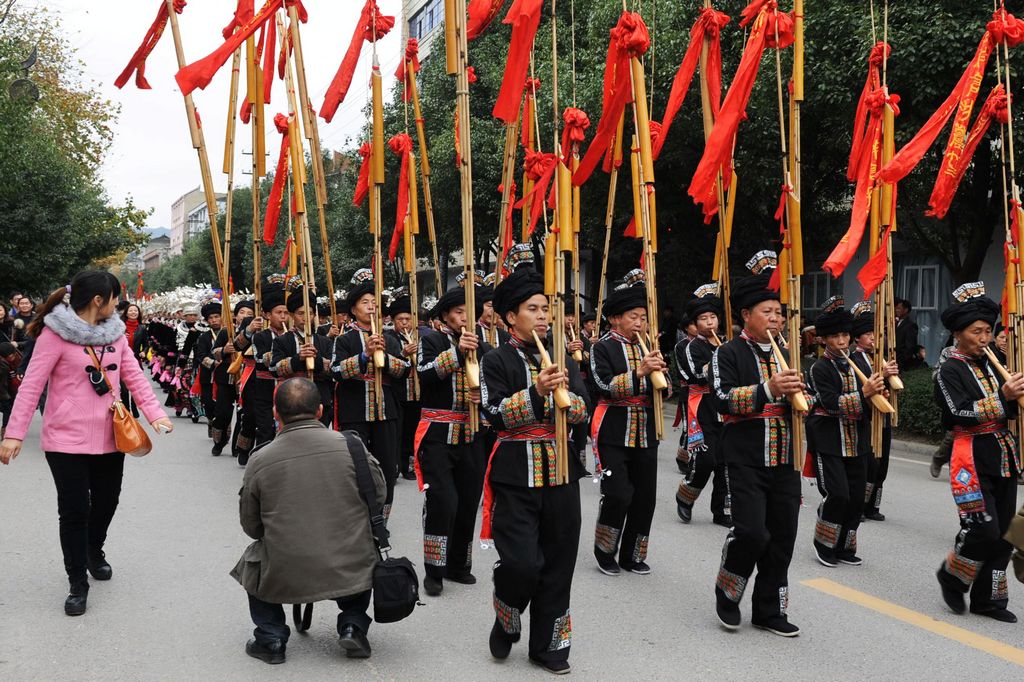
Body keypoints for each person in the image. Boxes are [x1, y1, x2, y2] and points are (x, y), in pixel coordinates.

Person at [0, 271, 174, 616]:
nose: (116, 303)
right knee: (75, 510)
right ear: (99, 300)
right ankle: (77, 582)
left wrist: (155, 414)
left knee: (108, 501)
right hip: (65, 438)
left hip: (112, 433)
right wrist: (13, 434)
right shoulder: (54, 335)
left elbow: (134, 376)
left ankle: (95, 549)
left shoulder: (116, 336)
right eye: (114, 297)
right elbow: (32, 386)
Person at [480, 247, 588, 674]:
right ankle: (507, 616)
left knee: (559, 566)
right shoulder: (496, 359)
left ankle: (550, 648)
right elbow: (494, 415)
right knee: (523, 564)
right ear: (510, 317)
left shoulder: (564, 357)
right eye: (533, 309)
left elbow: (583, 411)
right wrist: (537, 394)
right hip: (515, 475)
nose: (543, 316)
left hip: (562, 471)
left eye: (546, 308)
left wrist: (567, 397)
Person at [233, 378, 384, 664]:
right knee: (361, 547)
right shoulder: (352, 445)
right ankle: (352, 624)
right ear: (320, 411)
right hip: (349, 562)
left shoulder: (260, 458)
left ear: (276, 413)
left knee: (252, 559)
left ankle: (271, 637)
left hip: (287, 567)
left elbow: (251, 526)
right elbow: (377, 496)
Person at [710, 251, 803, 636]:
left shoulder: (793, 352)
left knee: (782, 537)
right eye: (768, 312)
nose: (776, 319)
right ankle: (728, 589)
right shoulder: (726, 352)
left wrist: (803, 397)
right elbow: (722, 398)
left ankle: (769, 610)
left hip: (785, 457)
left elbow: (808, 398)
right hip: (745, 456)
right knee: (751, 532)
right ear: (746, 315)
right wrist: (768, 389)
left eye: (779, 312)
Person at [934, 282, 1021, 623]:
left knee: (1004, 535)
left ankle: (989, 601)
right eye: (976, 332)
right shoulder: (948, 369)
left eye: (988, 331)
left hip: (1002, 452)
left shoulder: (994, 362)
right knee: (981, 528)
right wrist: (1003, 397)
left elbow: (1008, 411)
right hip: (969, 455)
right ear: (958, 333)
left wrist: (1012, 399)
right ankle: (952, 576)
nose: (984, 338)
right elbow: (957, 412)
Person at [590, 268, 668, 576]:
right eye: (634, 316)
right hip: (613, 428)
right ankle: (605, 550)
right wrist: (638, 373)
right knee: (619, 493)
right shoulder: (602, 347)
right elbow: (602, 385)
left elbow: (666, 386)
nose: (640, 323)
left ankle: (632, 554)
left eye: (643, 317)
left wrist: (662, 374)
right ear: (615, 319)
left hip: (646, 429)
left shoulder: (646, 346)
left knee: (645, 497)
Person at [414, 282, 491, 596]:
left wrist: (482, 396)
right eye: (459, 313)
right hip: (437, 434)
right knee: (443, 501)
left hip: (472, 433)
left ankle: (459, 564)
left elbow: (491, 385)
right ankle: (434, 569)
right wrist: (457, 353)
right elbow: (425, 373)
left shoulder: (484, 346)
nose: (464, 319)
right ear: (446, 314)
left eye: (468, 313)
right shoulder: (430, 340)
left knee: (468, 501)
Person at [804, 296, 881, 568]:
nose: (842, 341)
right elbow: (829, 403)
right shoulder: (818, 368)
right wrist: (864, 393)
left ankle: (845, 545)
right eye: (835, 336)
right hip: (829, 438)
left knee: (857, 497)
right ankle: (824, 543)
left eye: (846, 334)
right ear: (824, 339)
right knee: (838, 494)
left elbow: (872, 401)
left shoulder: (859, 363)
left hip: (857, 438)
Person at [332, 269, 409, 520]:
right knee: (355, 466)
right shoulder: (345, 340)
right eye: (365, 302)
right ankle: (356, 516)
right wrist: (364, 356)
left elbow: (404, 370)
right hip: (354, 410)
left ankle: (381, 517)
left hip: (386, 411)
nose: (371, 307)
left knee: (387, 467)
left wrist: (384, 358)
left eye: (374, 303)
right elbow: (336, 370)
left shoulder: (391, 338)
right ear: (353, 309)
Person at [676, 283, 730, 527]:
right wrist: (720, 360)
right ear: (695, 324)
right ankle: (685, 495)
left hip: (725, 407)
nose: (709, 323)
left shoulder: (728, 343)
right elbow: (695, 375)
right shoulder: (691, 347)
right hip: (702, 406)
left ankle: (721, 511)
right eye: (703, 319)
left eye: (713, 317)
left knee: (726, 461)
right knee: (705, 460)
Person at [848, 302, 899, 521]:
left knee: (882, 464)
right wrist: (882, 372)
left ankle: (872, 506)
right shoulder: (854, 359)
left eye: (876, 334)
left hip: (883, 415)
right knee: (868, 464)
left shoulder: (879, 357)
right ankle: (859, 506)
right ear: (857, 338)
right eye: (868, 334)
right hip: (867, 419)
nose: (872, 338)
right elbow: (862, 386)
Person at [270, 281, 335, 427]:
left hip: (320, 400)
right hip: (291, 399)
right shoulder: (282, 341)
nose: (306, 317)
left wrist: (317, 360)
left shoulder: (325, 341)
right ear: (292, 315)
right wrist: (298, 359)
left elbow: (334, 370)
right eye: (301, 313)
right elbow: (274, 369)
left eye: (310, 313)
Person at [384, 289, 420, 480]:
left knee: (413, 430)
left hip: (419, 392)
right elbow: (389, 363)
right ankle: (399, 464)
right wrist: (403, 355)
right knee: (398, 431)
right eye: (400, 319)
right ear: (394, 321)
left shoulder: (424, 337)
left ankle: (412, 466)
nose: (404, 323)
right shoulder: (389, 339)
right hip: (398, 392)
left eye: (407, 318)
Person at [894, 298, 920, 370]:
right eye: (896, 308)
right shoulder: (896, 323)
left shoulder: (910, 325)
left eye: (899, 308)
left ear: (906, 310)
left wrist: (900, 362)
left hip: (902, 365)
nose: (896, 310)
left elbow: (910, 346)